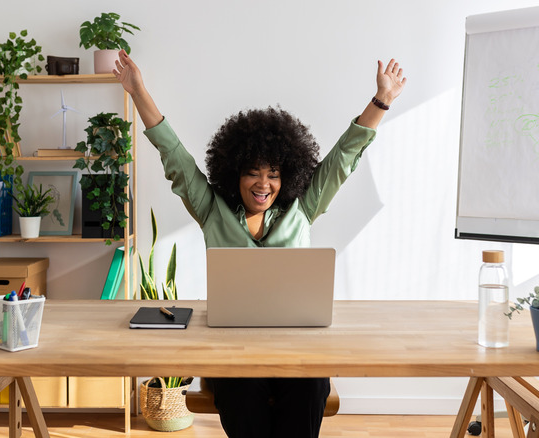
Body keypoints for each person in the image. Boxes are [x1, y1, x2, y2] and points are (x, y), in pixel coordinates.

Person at [113, 50, 406, 438]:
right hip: (234, 353)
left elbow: (343, 158)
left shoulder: (303, 207)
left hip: (297, 349)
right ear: (234, 173)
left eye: (273, 174)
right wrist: (138, 92)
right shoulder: (210, 208)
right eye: (252, 172)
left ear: (288, 177)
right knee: (241, 393)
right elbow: (174, 155)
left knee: (310, 388)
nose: (263, 184)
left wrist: (382, 100)